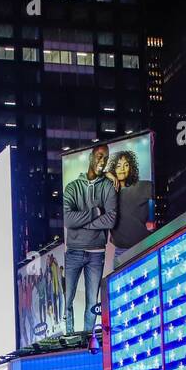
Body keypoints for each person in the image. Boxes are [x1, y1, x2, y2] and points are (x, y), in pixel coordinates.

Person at [62, 143, 119, 334]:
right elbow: (68, 220)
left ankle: (88, 339)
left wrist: (83, 224)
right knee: (67, 299)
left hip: (96, 253)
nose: (102, 162)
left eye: (106, 158)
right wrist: (95, 212)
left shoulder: (108, 187)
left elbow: (111, 219)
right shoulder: (72, 187)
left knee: (92, 302)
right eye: (99, 156)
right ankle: (69, 337)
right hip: (74, 252)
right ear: (90, 158)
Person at [106, 150, 155, 266]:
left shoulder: (142, 186)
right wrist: (106, 175)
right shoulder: (108, 194)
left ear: (131, 167)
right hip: (121, 252)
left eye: (126, 165)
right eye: (118, 166)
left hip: (143, 247)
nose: (122, 169)